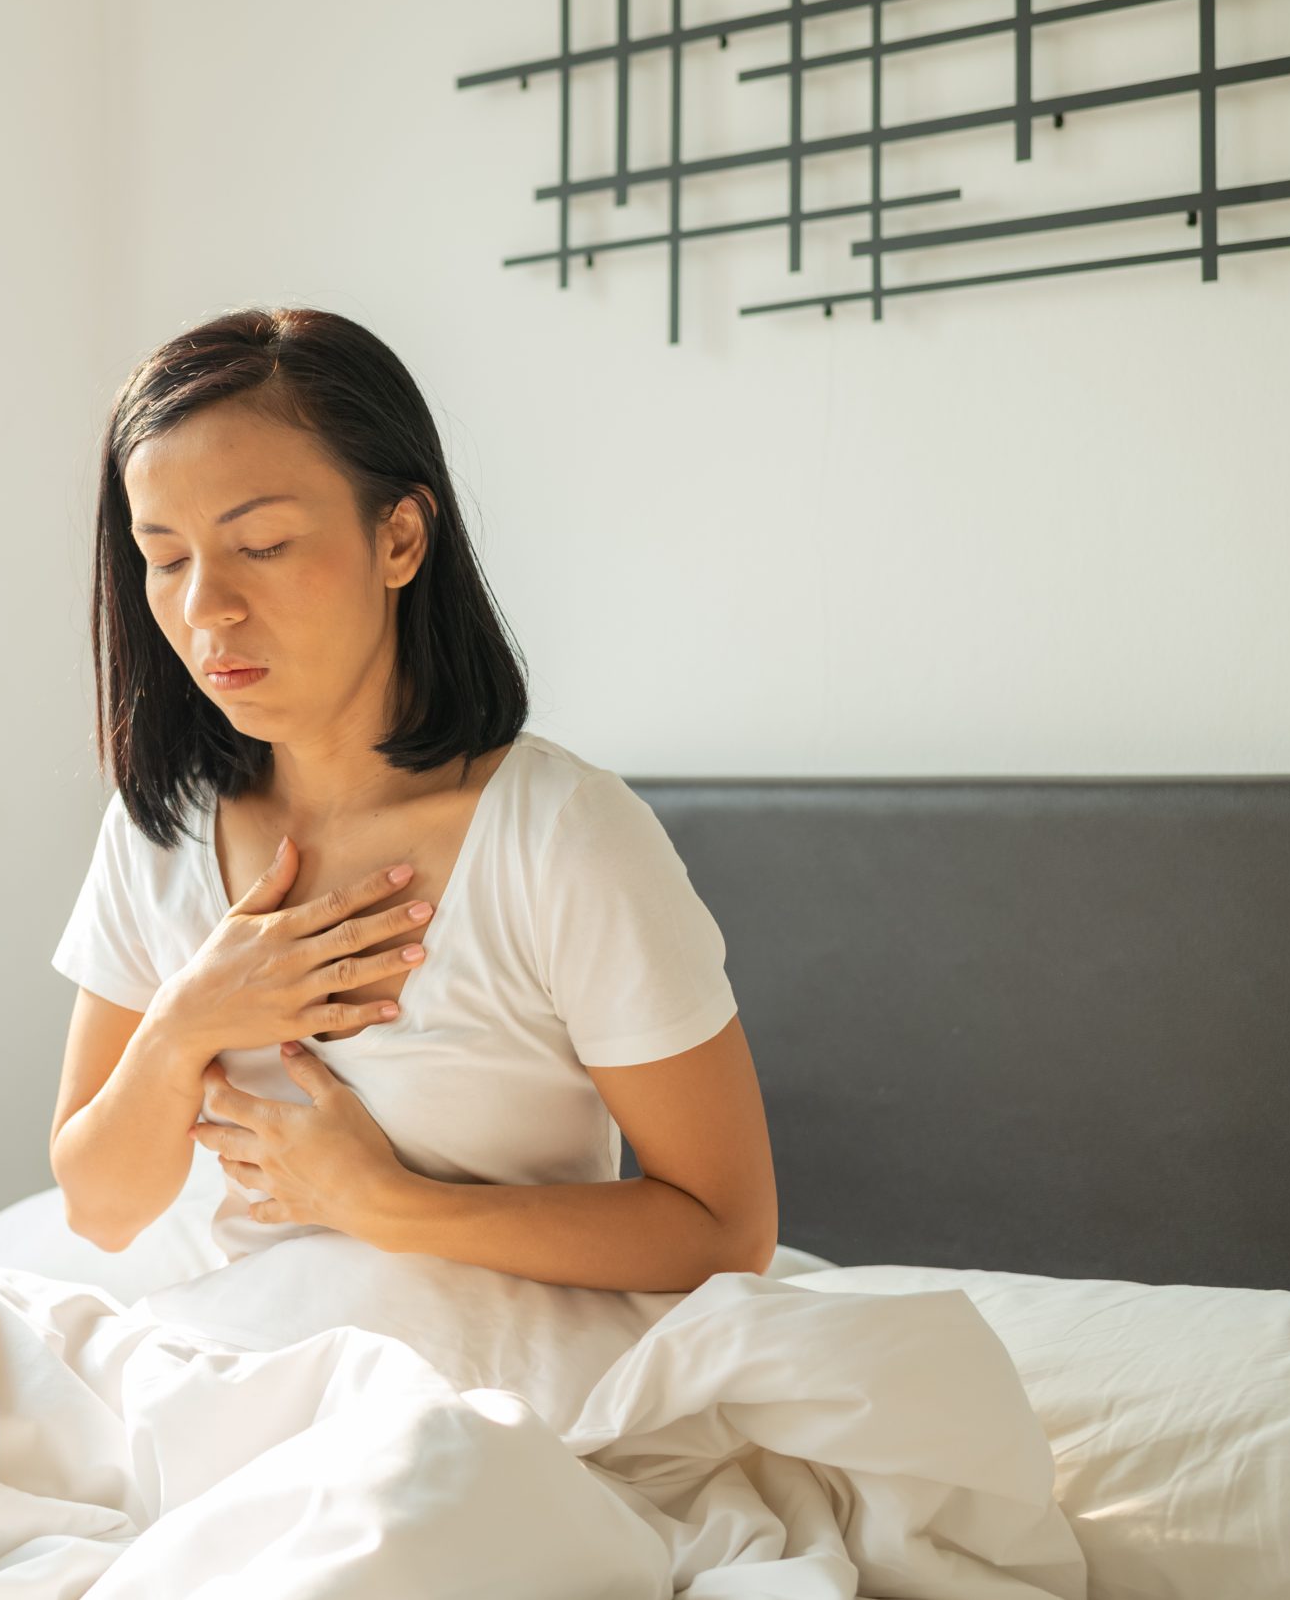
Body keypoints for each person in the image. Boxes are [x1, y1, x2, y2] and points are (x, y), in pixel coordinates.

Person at [46, 306, 777, 1291]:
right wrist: (186, 1022)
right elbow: (99, 1210)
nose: (203, 607)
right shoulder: (161, 836)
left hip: (503, 1380)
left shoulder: (562, 839)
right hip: (253, 1360)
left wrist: (381, 1204)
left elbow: (726, 1233)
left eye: (258, 544)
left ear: (398, 539)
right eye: (165, 557)